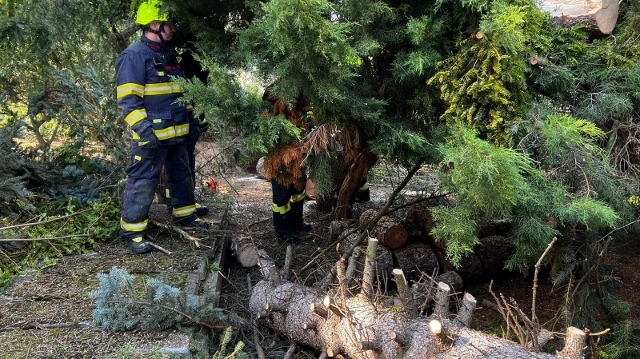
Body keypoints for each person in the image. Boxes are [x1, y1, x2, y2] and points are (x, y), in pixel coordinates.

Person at [116, 0, 207, 254]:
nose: (174, 29)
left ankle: (185, 214)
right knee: (143, 180)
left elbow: (178, 94)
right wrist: (144, 130)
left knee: (182, 175)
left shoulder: (168, 55)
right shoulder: (134, 56)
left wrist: (192, 118)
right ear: (155, 25)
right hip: (152, 136)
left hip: (178, 132)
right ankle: (133, 232)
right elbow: (128, 101)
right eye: (170, 24)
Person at [262, 88, 312, 243]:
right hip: (280, 154)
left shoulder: (301, 90)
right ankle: (283, 229)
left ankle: (297, 222)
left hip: (298, 151)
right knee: (282, 193)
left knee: (298, 190)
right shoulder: (272, 94)